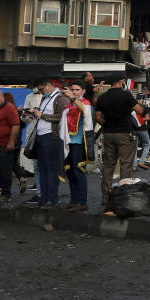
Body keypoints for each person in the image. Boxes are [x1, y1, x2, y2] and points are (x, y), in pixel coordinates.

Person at [94, 77, 138, 215]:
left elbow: (98, 117)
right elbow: (139, 110)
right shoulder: (126, 95)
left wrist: (106, 125)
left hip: (108, 134)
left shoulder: (103, 97)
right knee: (125, 165)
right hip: (124, 133)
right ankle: (122, 198)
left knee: (108, 166)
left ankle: (106, 198)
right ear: (121, 81)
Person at [24, 79, 68, 207]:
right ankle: (43, 196)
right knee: (42, 168)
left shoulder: (60, 98)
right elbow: (40, 114)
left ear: (49, 86)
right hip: (40, 136)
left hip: (52, 137)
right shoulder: (45, 98)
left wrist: (42, 115)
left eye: (42, 89)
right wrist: (33, 112)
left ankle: (53, 197)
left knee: (51, 169)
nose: (41, 92)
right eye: (39, 90)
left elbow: (61, 116)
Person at [62, 81, 91, 212]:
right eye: (72, 90)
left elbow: (84, 109)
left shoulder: (85, 102)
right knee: (70, 172)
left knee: (78, 171)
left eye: (77, 90)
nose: (74, 92)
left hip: (80, 142)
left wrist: (72, 98)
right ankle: (74, 200)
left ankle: (82, 201)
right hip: (69, 142)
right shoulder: (70, 104)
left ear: (83, 91)